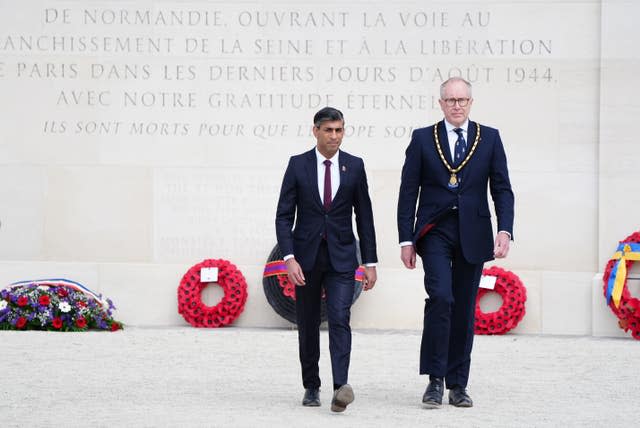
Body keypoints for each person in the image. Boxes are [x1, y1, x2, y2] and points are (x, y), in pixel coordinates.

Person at [397, 77, 514, 409]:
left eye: (462, 100)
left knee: (463, 307)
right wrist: (406, 239)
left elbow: (502, 188)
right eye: (450, 100)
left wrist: (505, 230)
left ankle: (458, 384)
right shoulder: (422, 139)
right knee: (441, 298)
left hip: (473, 232)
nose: (457, 105)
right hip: (434, 231)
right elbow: (408, 192)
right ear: (441, 103)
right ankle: (434, 380)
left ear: (471, 103)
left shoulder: (489, 138)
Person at [275, 107, 378, 412]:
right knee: (307, 322)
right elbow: (283, 216)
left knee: (339, 317)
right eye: (329, 130)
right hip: (305, 259)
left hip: (343, 258)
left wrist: (370, 262)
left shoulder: (355, 166)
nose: (335, 136)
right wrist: (289, 258)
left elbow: (365, 217)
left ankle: (340, 387)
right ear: (316, 131)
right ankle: (311, 385)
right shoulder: (298, 165)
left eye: (340, 130)